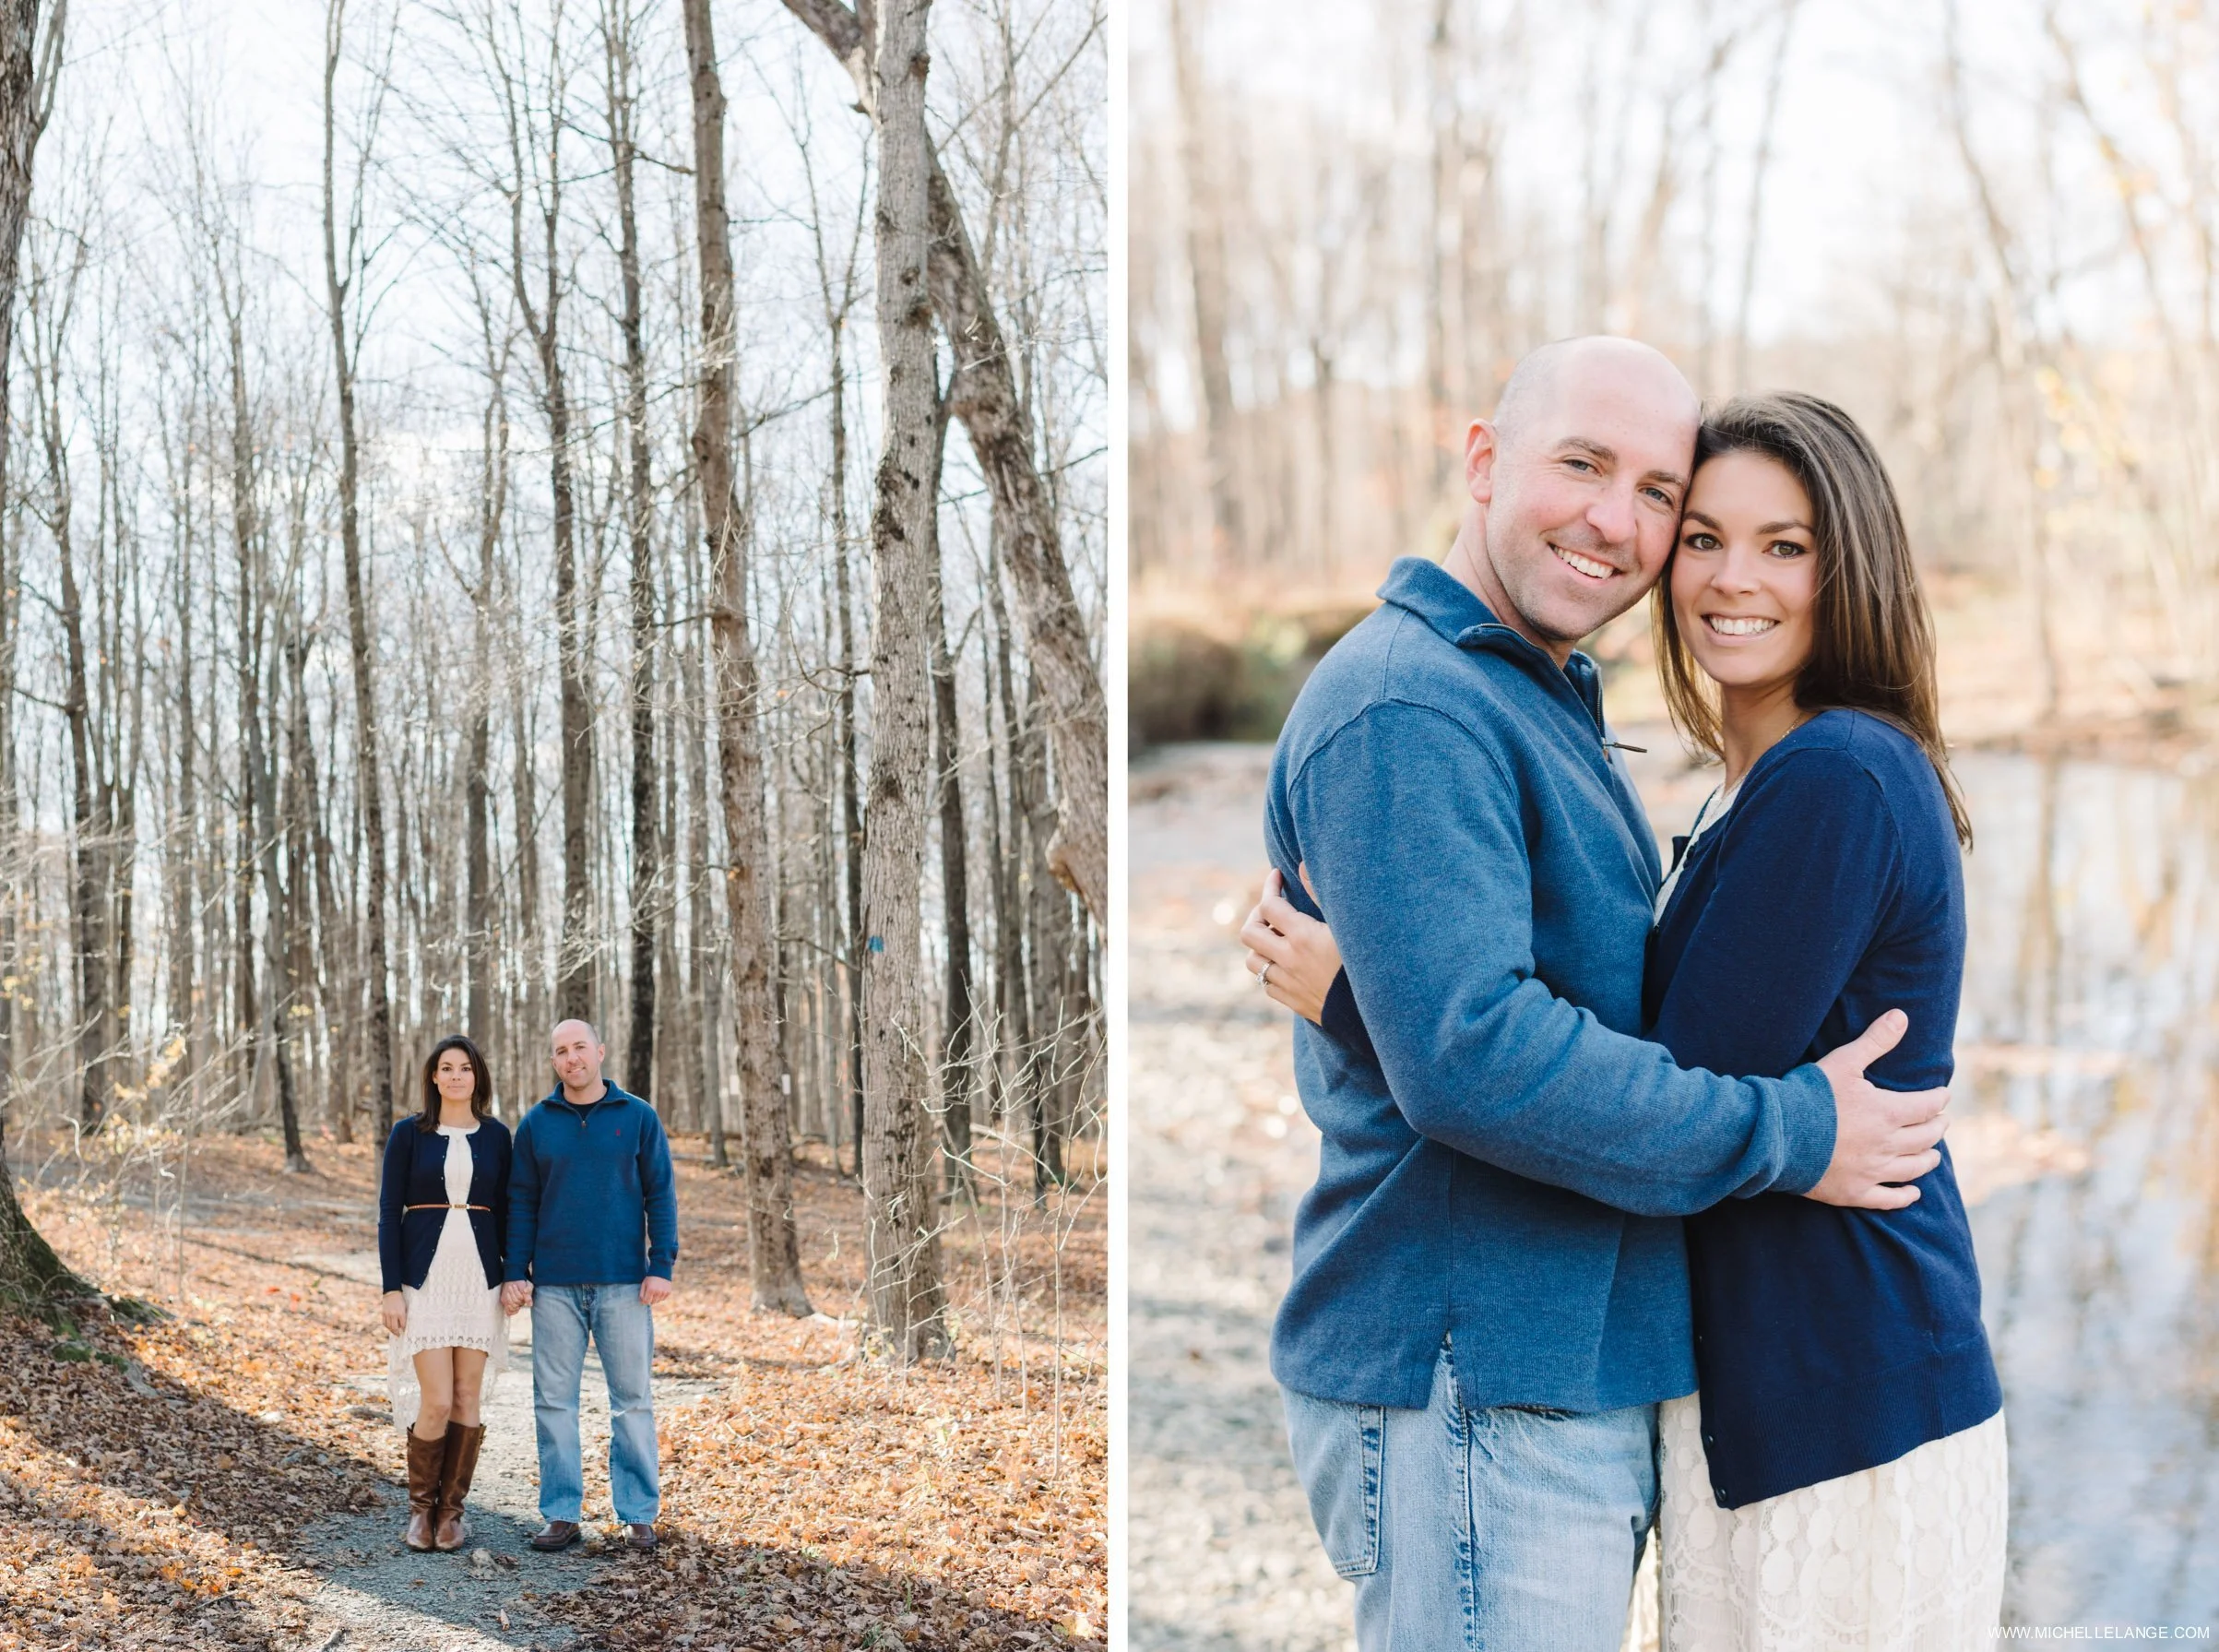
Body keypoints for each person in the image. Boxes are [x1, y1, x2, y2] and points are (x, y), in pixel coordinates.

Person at [1247, 389, 2006, 1647]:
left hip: (1836, 1382)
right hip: (1698, 1383)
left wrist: (1373, 1007)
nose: (1723, 575)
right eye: (1703, 533)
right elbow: (1536, 1057)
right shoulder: (1471, 709)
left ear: (1849, 563)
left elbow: (1654, 1064)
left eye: (1782, 544)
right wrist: (1417, 1020)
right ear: (1484, 463)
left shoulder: (1832, 772)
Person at [502, 1018, 677, 1555]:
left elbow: (660, 1194)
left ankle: (638, 1514)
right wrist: (515, 1271)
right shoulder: (536, 1124)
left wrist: (660, 1265)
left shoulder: (638, 1116)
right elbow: (522, 1202)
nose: (571, 1057)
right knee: (553, 1402)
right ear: (553, 1061)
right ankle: (561, 1513)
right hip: (553, 1285)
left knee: (632, 1402)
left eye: (580, 1047)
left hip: (624, 1283)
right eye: (561, 1050)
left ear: (599, 1051)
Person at [376, 1034, 516, 1553]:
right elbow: (391, 1213)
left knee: (466, 1396)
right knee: (435, 1400)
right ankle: (420, 1511)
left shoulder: (499, 1136)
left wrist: (515, 1274)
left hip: (481, 1280)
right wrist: (392, 1289)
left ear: (477, 1077)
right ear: (433, 1077)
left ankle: (452, 1514)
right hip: (425, 1280)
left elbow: (511, 1210)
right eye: (446, 1068)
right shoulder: (408, 1134)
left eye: (465, 1068)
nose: (456, 1076)